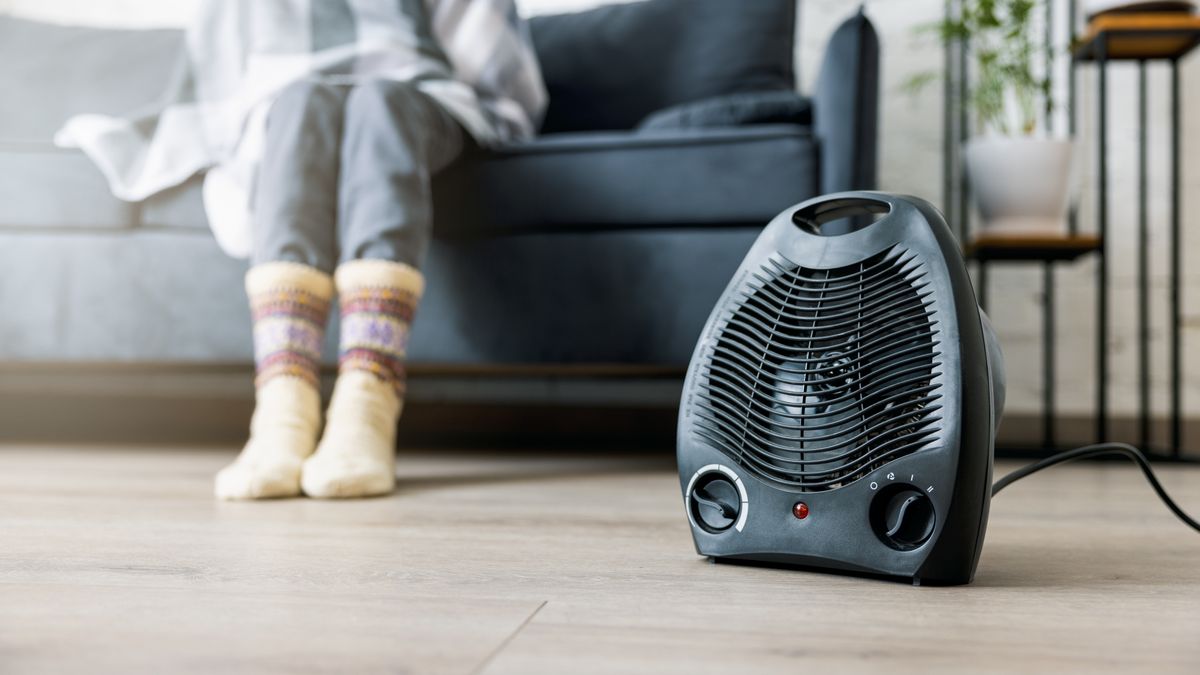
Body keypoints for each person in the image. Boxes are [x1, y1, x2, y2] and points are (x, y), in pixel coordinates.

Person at [56, 0, 547, 500]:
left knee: (381, 103)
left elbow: (497, 72)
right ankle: (283, 405)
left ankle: (369, 397)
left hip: (417, 98)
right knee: (298, 103)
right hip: (287, 101)